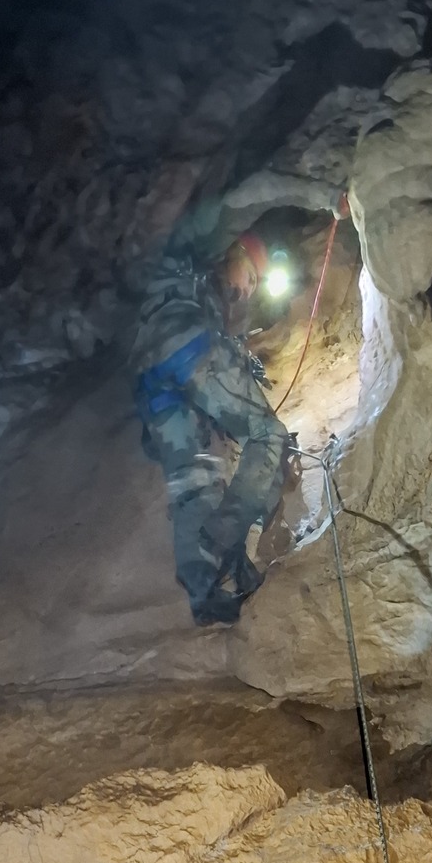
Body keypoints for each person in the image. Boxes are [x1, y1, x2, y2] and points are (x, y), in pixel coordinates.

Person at [131, 209, 297, 626]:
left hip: (150, 379)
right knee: (268, 433)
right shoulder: (206, 256)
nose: (248, 289)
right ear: (235, 251)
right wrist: (329, 198)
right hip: (185, 348)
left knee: (193, 481)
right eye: (251, 277)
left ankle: (204, 596)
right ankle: (223, 544)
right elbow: (244, 197)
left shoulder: (194, 286)